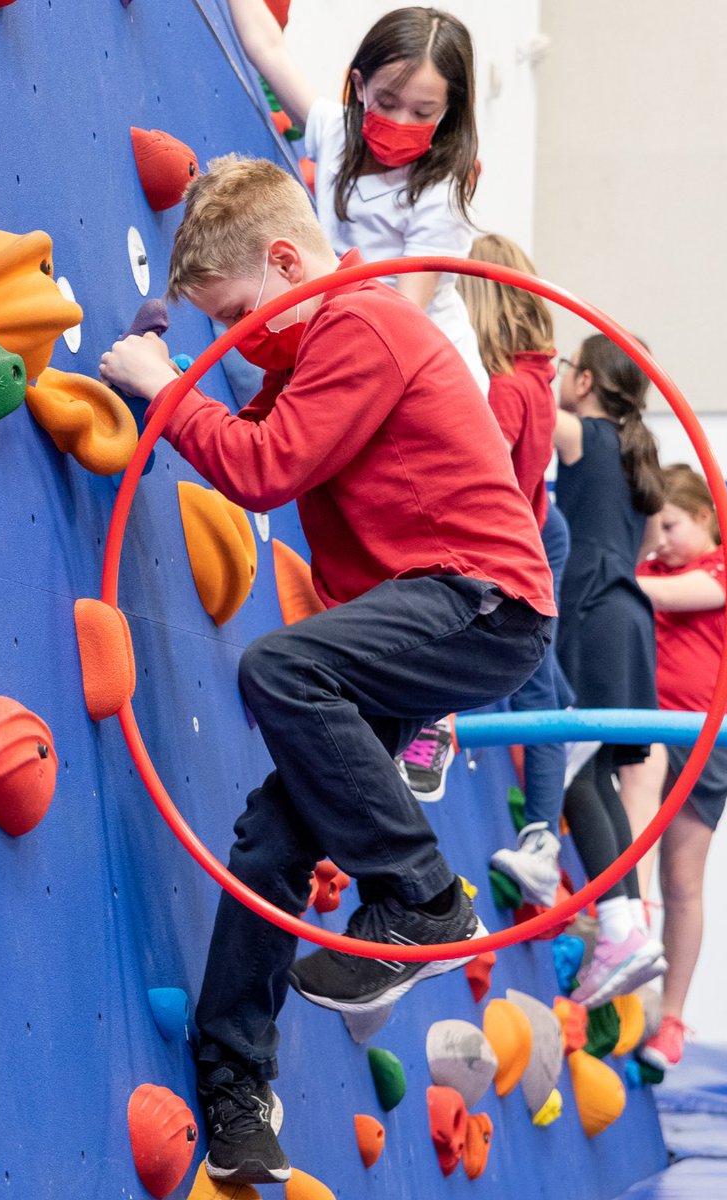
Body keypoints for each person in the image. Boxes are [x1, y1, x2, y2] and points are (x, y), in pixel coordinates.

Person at [98, 155, 554, 1186]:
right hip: (410, 621)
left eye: (234, 313)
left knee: (278, 668)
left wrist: (166, 391)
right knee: (271, 838)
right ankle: (234, 1083)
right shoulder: (306, 362)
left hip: (479, 599)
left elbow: (260, 469)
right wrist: (169, 386)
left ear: (290, 262)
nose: (229, 340)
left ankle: (426, 902)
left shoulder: (359, 324)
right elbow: (250, 433)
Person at [225, 0, 489, 394]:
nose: (401, 121)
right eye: (387, 102)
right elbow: (268, 49)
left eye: (423, 112)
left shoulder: (439, 195)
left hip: (421, 366)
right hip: (358, 333)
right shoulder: (337, 133)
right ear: (360, 86)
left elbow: (407, 318)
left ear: (448, 111)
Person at [451, 232, 573, 904]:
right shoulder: (536, 377)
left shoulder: (506, 389)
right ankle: (544, 835)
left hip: (524, 538)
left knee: (532, 689)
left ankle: (542, 844)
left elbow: (479, 475)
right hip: (540, 524)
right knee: (542, 687)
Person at [553, 334, 666, 1007]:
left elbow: (524, 410)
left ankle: (621, 925)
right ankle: (631, 923)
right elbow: (647, 543)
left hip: (591, 612)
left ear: (587, 380)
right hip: (629, 617)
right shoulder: (638, 457)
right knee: (597, 771)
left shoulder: (583, 435)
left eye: (567, 367)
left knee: (573, 768)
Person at [630, 464, 727, 1070]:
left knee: (685, 883)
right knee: (638, 849)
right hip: (652, 731)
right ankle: (630, 946)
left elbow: (687, 597)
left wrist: (613, 581)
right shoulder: (649, 569)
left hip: (705, 740)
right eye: (653, 530)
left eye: (670, 526)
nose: (659, 541)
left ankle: (673, 1018)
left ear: (705, 517)